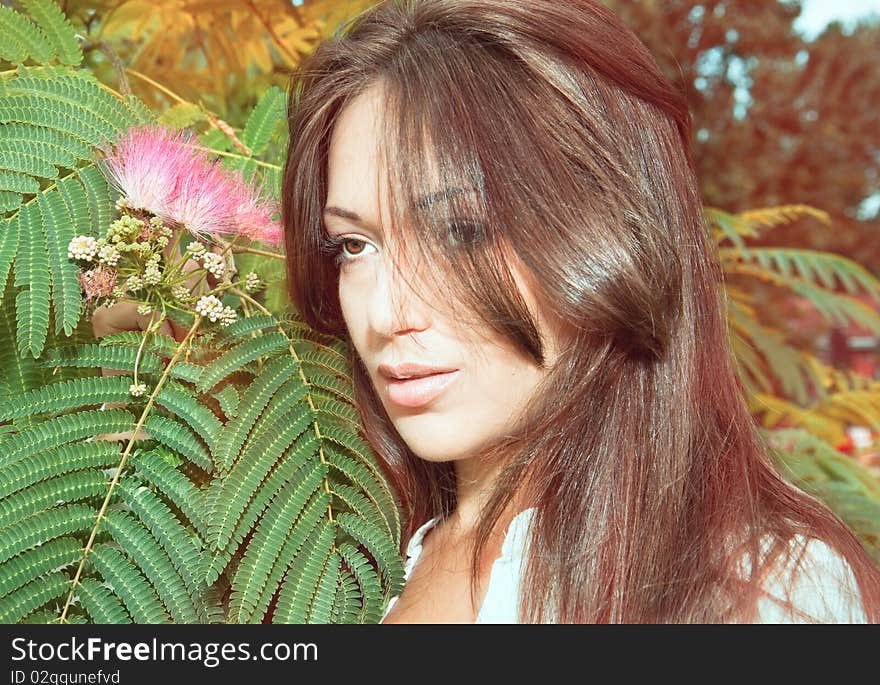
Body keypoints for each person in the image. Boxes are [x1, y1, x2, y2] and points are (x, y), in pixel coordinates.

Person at [280, 0, 880, 623]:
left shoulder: (763, 593)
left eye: (462, 231)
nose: (385, 312)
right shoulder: (350, 572)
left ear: (607, 236)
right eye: (355, 246)